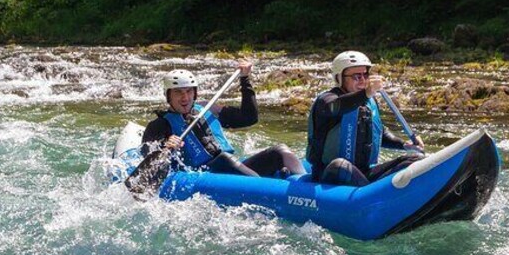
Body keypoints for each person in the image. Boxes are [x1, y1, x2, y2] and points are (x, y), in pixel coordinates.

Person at [141, 61, 305, 178]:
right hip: (205, 176)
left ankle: (303, 187)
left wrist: (245, 80)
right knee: (223, 159)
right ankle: (266, 188)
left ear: (195, 93)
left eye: (189, 91)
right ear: (168, 95)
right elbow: (147, 161)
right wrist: (165, 146)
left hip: (233, 169)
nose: (185, 97)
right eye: (178, 92)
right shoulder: (159, 125)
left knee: (280, 151)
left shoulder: (207, 109)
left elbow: (249, 118)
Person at [306, 51, 424, 186]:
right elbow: (337, 106)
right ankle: (371, 197)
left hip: (363, 173)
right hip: (329, 173)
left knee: (414, 159)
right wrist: (366, 93)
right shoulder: (327, 100)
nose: (362, 80)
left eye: (365, 74)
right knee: (340, 165)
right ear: (339, 78)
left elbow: (380, 134)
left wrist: (404, 144)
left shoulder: (368, 101)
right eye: (356, 76)